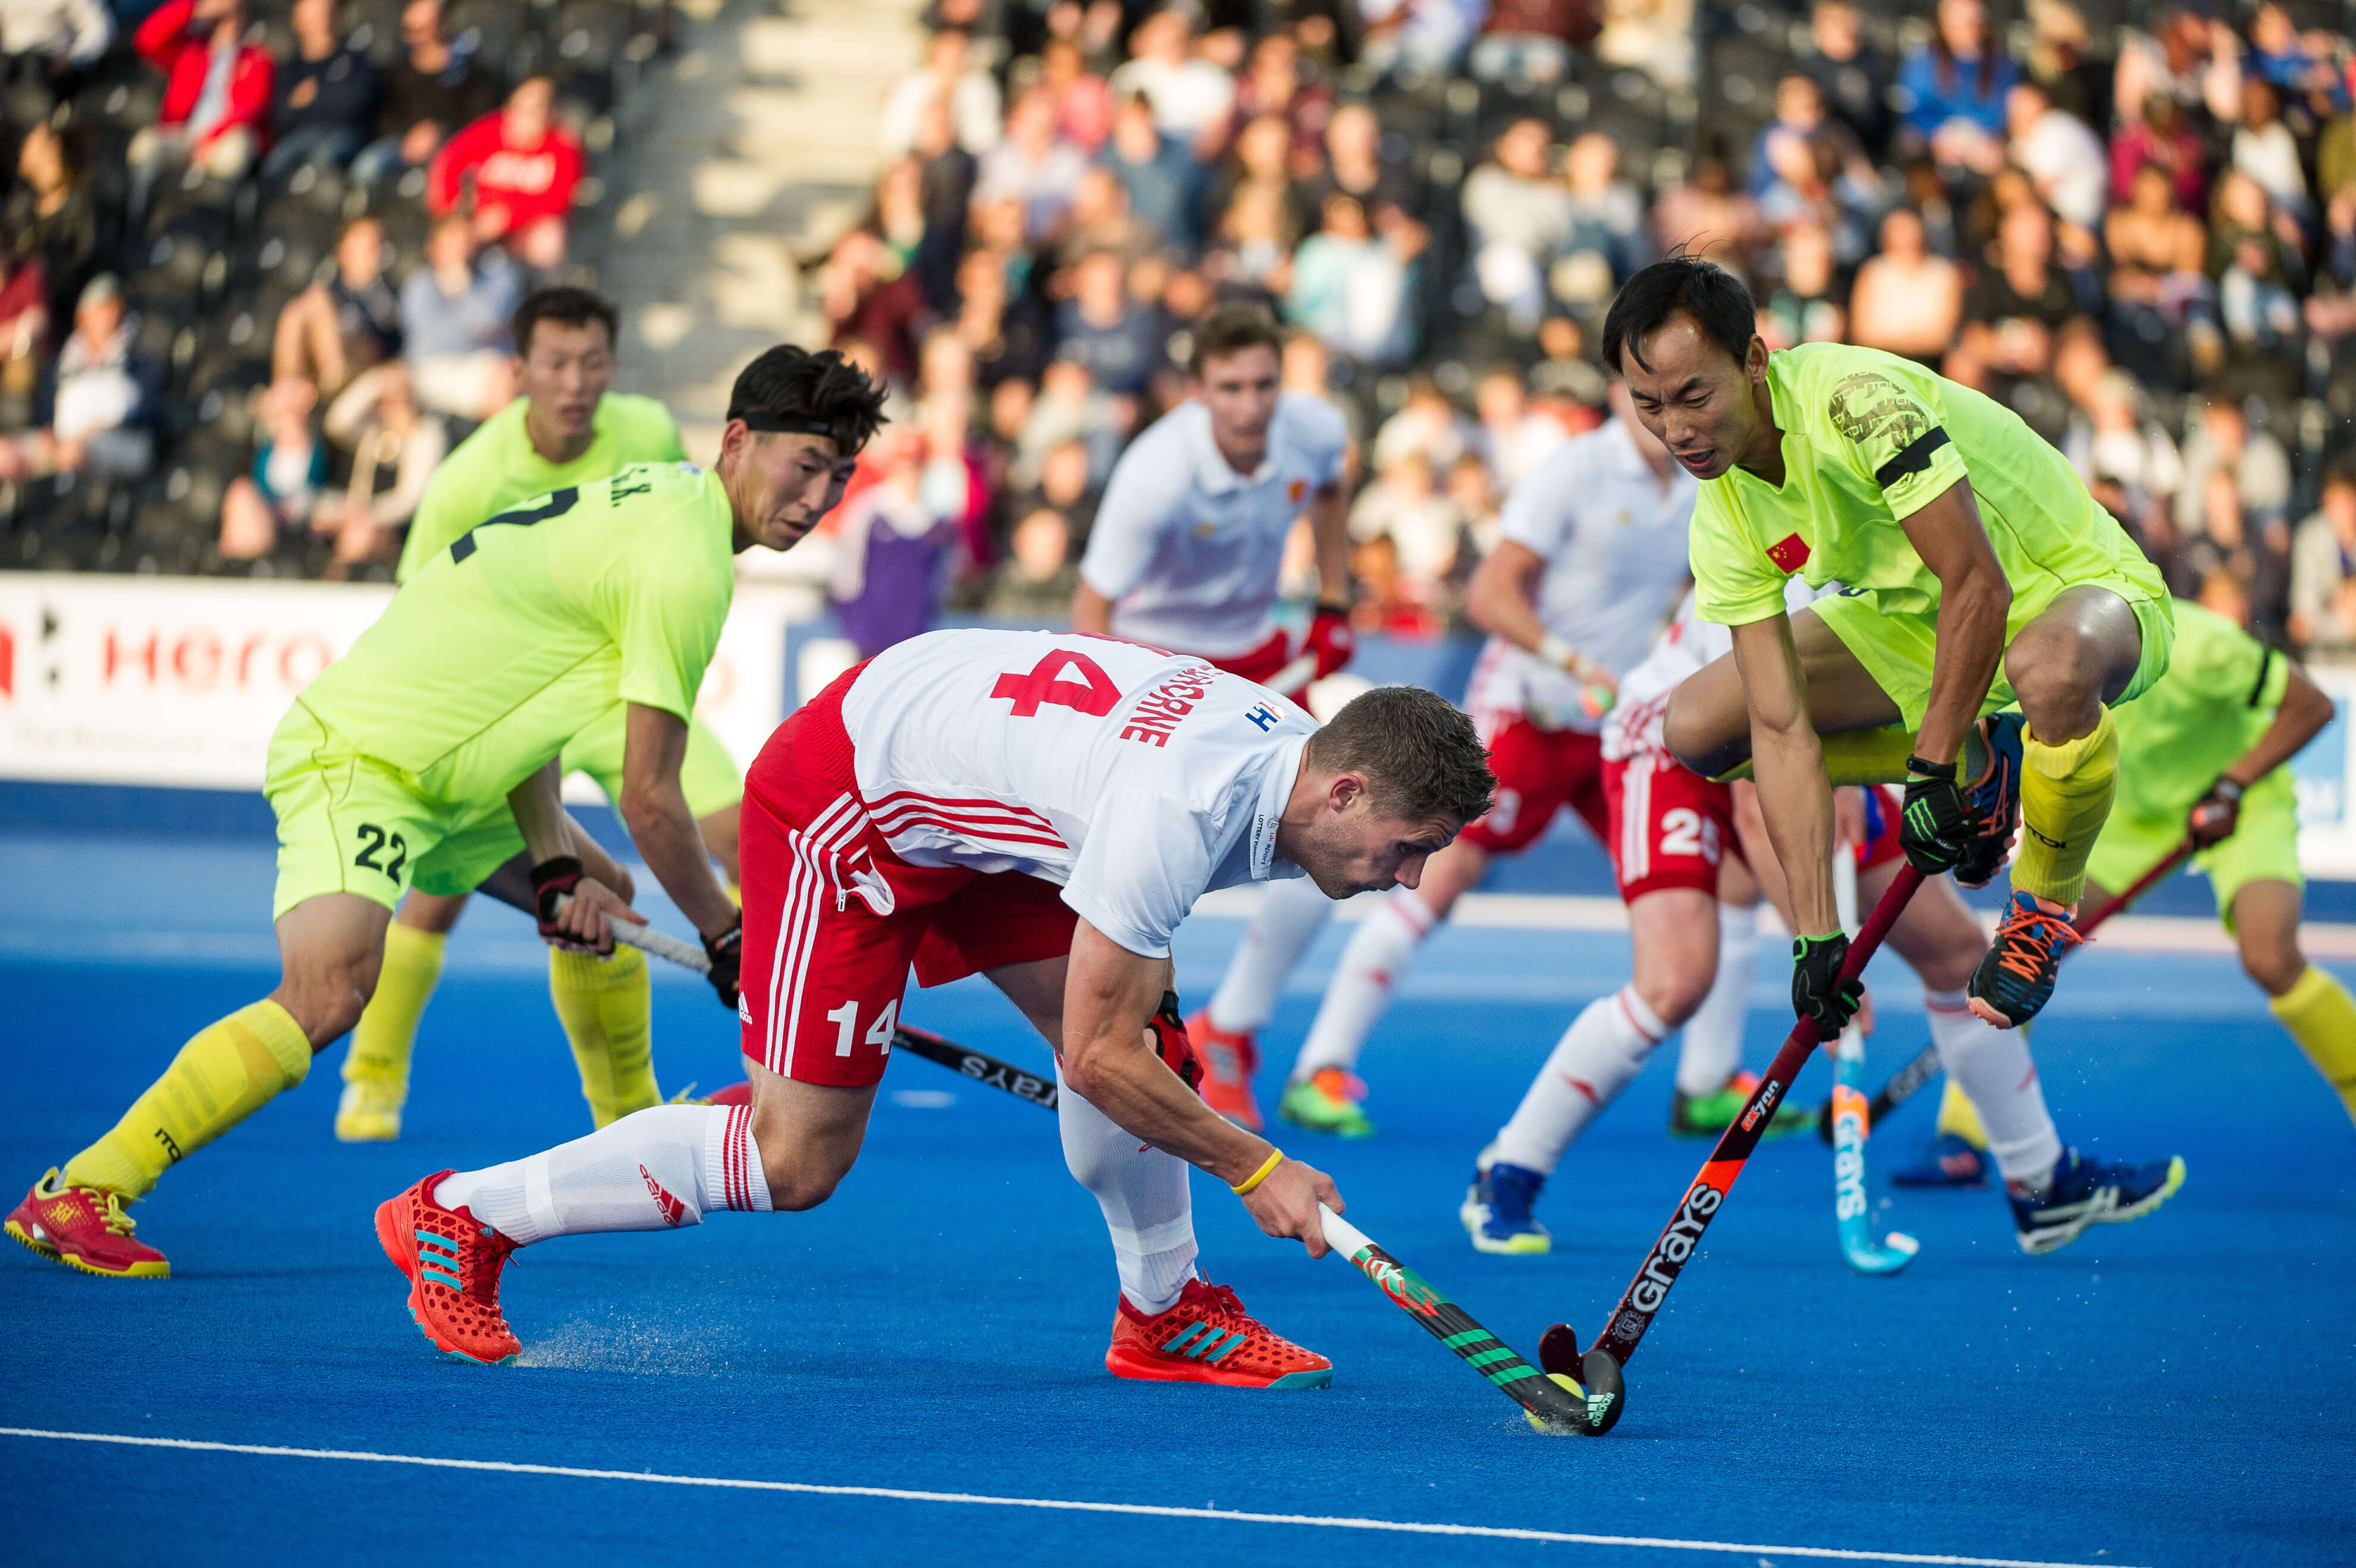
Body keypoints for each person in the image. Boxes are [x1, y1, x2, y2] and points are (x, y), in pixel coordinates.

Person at [373, 634, 1494, 1378]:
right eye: (1407, 850)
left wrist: (1148, 1068)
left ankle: (1166, 1311)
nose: (1407, 879)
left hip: (991, 812)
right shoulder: (1182, 810)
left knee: (1146, 1038)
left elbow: (1118, 1042)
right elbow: (1098, 1065)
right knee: (796, 1160)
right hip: (846, 802)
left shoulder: (1288, 757)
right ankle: (463, 1210)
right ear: (1343, 787)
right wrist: (1256, 1165)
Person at [6, 344, 884, 1280]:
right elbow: (650, 798)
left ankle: (631, 1127)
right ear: (738, 440)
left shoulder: (664, 498)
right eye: (805, 466)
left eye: (839, 476)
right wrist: (728, 939)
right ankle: (86, 1189)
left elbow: (528, 694)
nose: (818, 497)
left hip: (463, 767)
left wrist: (553, 868)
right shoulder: (686, 563)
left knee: (603, 893)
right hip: (372, 754)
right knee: (328, 992)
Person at [1462, 581, 2178, 1256]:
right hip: (1672, 742)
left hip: (1812, 741)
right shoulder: (1813, 553)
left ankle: (2041, 1182)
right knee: (1674, 982)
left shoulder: (1933, 546)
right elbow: (1757, 791)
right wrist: (1824, 948)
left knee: (1957, 953)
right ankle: (1507, 1171)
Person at [1610, 256, 2175, 1044]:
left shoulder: (1859, 404)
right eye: (1650, 406)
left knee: (2045, 668)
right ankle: (1991, 762)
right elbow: (1778, 730)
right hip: (1916, 623)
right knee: (1699, 731)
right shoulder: (1724, 514)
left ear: (1753, 361)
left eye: (1693, 396)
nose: (1675, 430)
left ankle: (2039, 908)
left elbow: (1978, 585)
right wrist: (1816, 935)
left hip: (2076, 592)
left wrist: (1928, 768)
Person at [1255, 378, 1695, 1138]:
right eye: (1645, 389)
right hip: (1531, 710)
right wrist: (1571, 661)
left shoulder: (1697, 476)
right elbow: (1489, 595)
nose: (1662, 410)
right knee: (1440, 876)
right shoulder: (1575, 470)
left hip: (1621, 719)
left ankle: (1707, 1082)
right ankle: (1319, 1067)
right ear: (1621, 390)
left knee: (1709, 882)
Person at [336, 288, 708, 1144]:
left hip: (611, 687)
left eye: (593, 365)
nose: (577, 384)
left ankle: (680, 1094)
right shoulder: (469, 480)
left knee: (712, 834)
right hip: (507, 701)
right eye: (556, 364)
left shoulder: (648, 431)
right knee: (438, 893)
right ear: (519, 373)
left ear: (612, 369)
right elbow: (416, 618)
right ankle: (373, 1079)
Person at [1907, 598, 2353, 1183]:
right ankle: (1966, 1130)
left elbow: (2311, 707)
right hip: (2125, 815)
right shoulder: (2041, 652)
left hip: (2234, 802)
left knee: (2270, 957)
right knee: (2028, 942)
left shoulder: (2203, 645)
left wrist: (2233, 783)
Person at [1067, 306, 1356, 1131]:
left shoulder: (1312, 430)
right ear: (1199, 392)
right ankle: (1138, 1037)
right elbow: (1092, 608)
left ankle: (1229, 1030)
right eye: (1229, 388)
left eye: (1265, 384)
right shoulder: (1155, 471)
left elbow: (1331, 483)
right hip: (1160, 669)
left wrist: (1332, 595)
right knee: (1138, 872)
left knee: (1336, 836)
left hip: (1261, 658)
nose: (1250, 405)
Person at [426, 74, 583, 272]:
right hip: (478, 222)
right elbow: (447, 161)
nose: (530, 114)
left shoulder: (564, 146)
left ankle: (549, 298)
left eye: (540, 106)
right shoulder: (491, 128)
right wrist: (449, 210)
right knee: (452, 241)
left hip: (526, 229)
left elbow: (558, 201)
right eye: (525, 105)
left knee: (549, 241)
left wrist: (508, 217)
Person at [128, 0, 274, 211]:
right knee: (146, 146)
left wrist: (212, 137)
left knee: (235, 151)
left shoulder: (257, 56)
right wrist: (193, 6)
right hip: (185, 135)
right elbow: (146, 40)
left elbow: (253, 106)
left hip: (225, 138)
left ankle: (214, 218)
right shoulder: (191, 51)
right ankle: (142, 218)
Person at [262, 0, 381, 181]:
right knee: (273, 168)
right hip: (296, 140)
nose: (322, 19)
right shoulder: (289, 69)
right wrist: (333, 94)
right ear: (298, 20)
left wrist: (311, 98)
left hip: (343, 137)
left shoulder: (356, 61)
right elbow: (282, 116)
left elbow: (354, 107)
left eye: (326, 11)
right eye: (314, 14)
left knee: (323, 163)